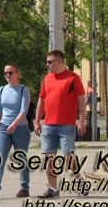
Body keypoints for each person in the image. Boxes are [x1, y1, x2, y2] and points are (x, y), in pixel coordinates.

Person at [34, 49, 87, 199]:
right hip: (49, 125)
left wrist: (81, 120)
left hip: (67, 125)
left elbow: (81, 99)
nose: (48, 65)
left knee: (68, 157)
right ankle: (53, 189)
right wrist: (37, 121)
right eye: (47, 62)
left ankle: (78, 180)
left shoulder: (72, 78)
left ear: (60, 62)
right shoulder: (47, 79)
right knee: (48, 159)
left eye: (50, 62)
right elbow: (41, 101)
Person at [0, 64, 31, 199]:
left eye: (10, 73)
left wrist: (14, 124)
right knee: (0, 156)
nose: (8, 76)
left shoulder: (23, 90)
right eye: (5, 73)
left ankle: (24, 188)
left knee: (21, 158)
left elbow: (23, 111)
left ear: (17, 74)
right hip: (4, 127)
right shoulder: (2, 89)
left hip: (20, 128)